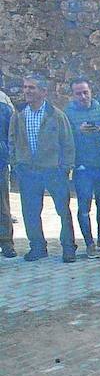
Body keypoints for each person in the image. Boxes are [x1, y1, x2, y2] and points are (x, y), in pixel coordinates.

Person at [8, 73, 77, 263]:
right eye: (25, 87)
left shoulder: (56, 115)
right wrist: (16, 164)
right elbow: (12, 140)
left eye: (32, 87)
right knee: (30, 211)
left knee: (63, 210)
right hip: (28, 171)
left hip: (53, 170)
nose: (27, 91)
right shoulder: (19, 115)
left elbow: (68, 143)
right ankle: (37, 247)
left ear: (43, 92)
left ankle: (68, 247)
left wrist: (65, 167)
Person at [65, 77, 100, 258]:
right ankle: (89, 243)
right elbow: (64, 138)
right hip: (81, 167)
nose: (83, 97)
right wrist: (77, 131)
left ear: (91, 91)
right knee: (84, 206)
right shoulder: (67, 113)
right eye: (78, 93)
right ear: (72, 95)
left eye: (85, 92)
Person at [0, 96, 14, 258]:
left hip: (0, 163)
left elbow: (12, 136)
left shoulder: (4, 109)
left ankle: (6, 242)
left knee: (2, 205)